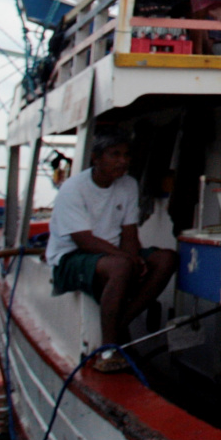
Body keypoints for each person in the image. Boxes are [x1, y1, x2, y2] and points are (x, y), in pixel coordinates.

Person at [46, 127, 178, 372]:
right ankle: (109, 349)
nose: (123, 161)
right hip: (71, 257)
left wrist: (135, 256)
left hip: (114, 254)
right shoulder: (73, 188)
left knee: (167, 259)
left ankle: (119, 323)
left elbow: (129, 233)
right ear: (96, 158)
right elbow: (84, 241)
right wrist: (128, 259)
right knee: (121, 266)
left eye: (126, 155)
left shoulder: (128, 184)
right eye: (115, 154)